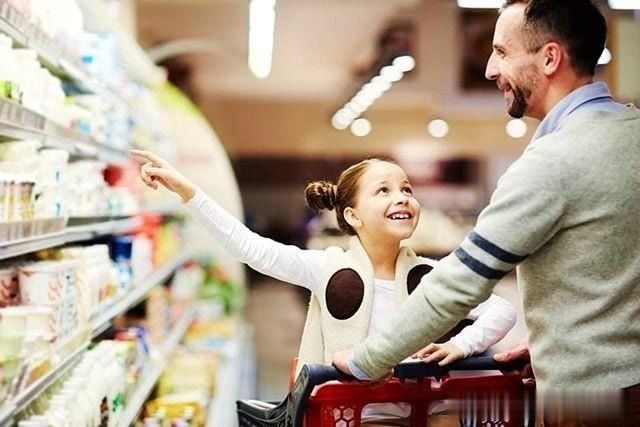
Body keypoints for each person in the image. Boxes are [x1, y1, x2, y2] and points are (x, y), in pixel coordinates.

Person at [332, 0, 640, 419]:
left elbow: (460, 284)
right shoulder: (632, 133)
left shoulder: (551, 162)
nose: (490, 69)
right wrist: (562, 345)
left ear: (550, 58)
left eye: (502, 52)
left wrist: (369, 359)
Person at [131, 150, 517, 423]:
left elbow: (502, 310)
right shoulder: (326, 268)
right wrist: (188, 192)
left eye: (406, 189)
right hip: (350, 414)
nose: (401, 197)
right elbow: (250, 247)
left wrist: (462, 344)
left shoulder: (431, 277)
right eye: (383, 190)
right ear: (352, 215)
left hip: (423, 409)